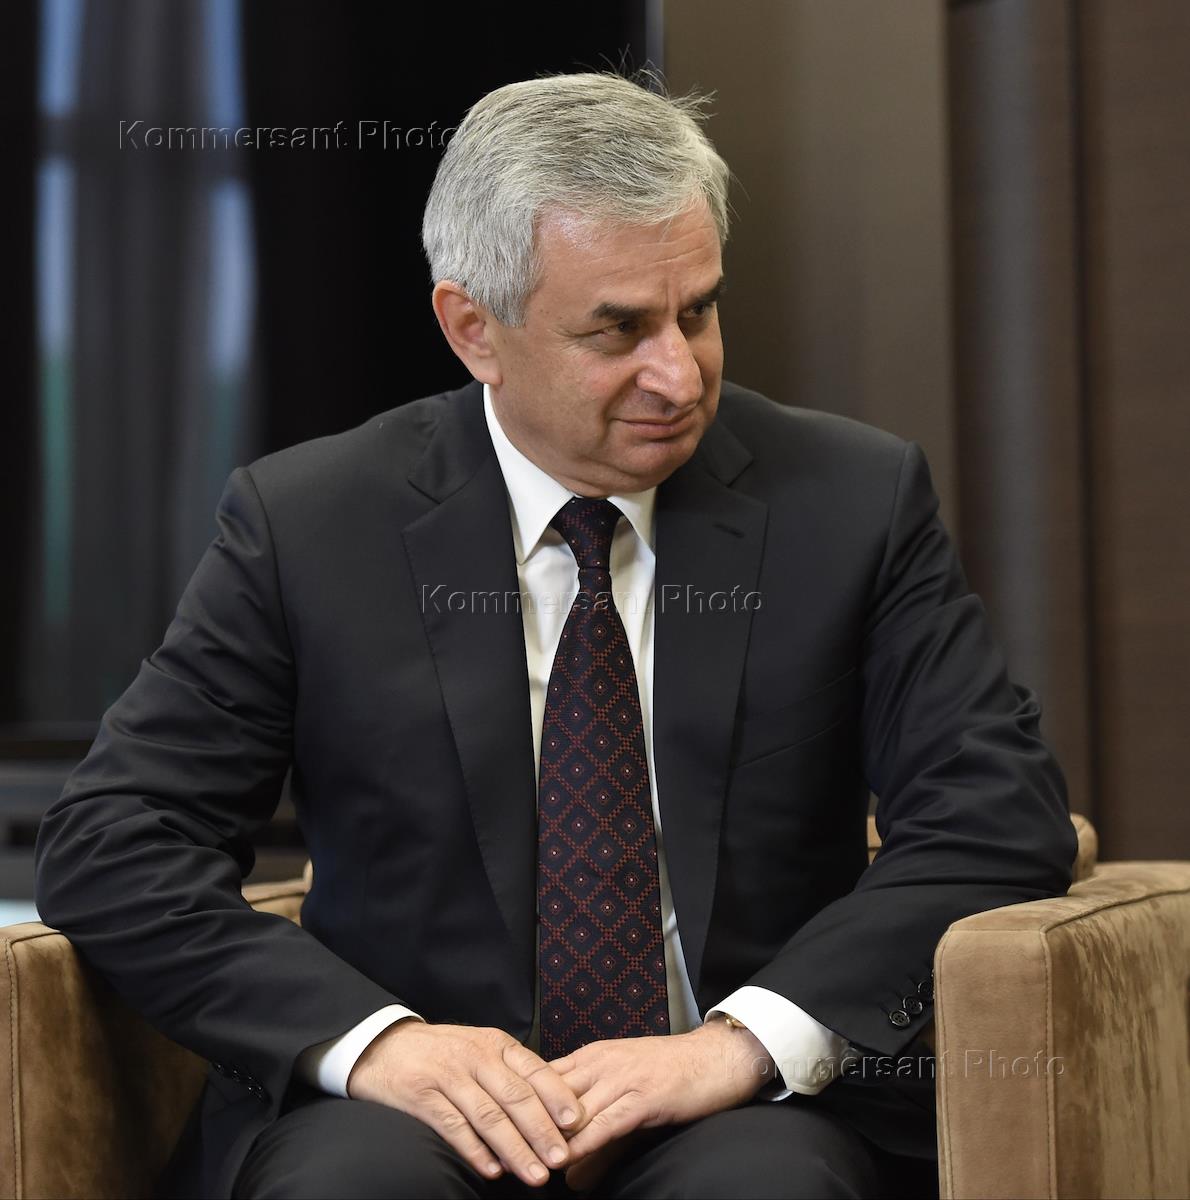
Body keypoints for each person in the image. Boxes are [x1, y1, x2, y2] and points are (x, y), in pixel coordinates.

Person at [34, 72, 1076, 1200]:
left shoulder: (852, 502)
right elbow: (116, 841)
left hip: (740, 1107)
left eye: (697, 312)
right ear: (472, 329)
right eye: (617, 329)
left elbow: (995, 814)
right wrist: (379, 1044)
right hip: (409, 1110)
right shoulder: (311, 524)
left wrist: (741, 1043)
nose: (678, 373)